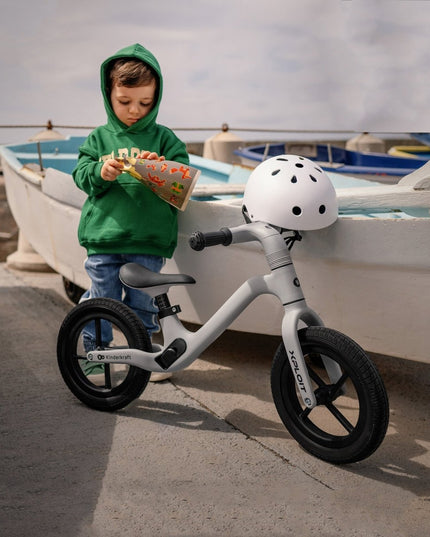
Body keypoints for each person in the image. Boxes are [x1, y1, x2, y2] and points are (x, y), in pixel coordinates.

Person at [73, 43, 189, 381]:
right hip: (104, 237)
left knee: (142, 303)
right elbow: (81, 174)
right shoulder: (99, 138)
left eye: (145, 103)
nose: (134, 110)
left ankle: (143, 353)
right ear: (109, 94)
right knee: (103, 300)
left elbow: (183, 180)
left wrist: (163, 168)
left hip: (148, 240)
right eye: (125, 102)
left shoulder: (165, 138)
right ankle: (96, 353)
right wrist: (100, 172)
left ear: (156, 98)